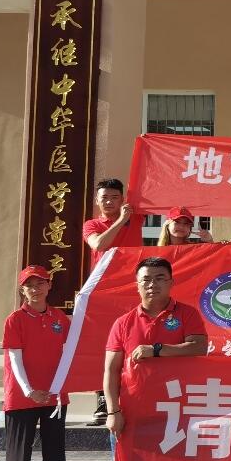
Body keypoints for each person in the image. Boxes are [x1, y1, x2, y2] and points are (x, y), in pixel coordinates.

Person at [88, 257, 207, 461]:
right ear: (137, 284)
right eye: (146, 279)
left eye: (159, 278)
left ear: (171, 282)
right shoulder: (124, 322)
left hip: (176, 412)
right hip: (132, 415)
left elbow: (199, 347)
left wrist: (157, 349)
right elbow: (110, 371)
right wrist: (112, 410)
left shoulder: (186, 314)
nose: (153, 284)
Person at [1, 265, 71, 461]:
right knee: (19, 453)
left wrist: (59, 387)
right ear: (22, 290)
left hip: (54, 395)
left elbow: (69, 355)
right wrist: (29, 390)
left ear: (49, 285)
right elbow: (14, 358)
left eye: (40, 283)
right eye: (29, 285)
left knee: (55, 452)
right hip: (22, 396)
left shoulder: (60, 318)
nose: (35, 289)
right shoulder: (15, 319)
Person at [82, 178, 145, 425]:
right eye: (104, 198)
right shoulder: (92, 224)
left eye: (114, 197)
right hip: (104, 293)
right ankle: (103, 400)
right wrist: (120, 221)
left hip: (133, 291)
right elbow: (99, 244)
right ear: (97, 201)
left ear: (122, 199)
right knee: (105, 346)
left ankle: (133, 394)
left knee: (133, 343)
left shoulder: (136, 218)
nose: (109, 202)